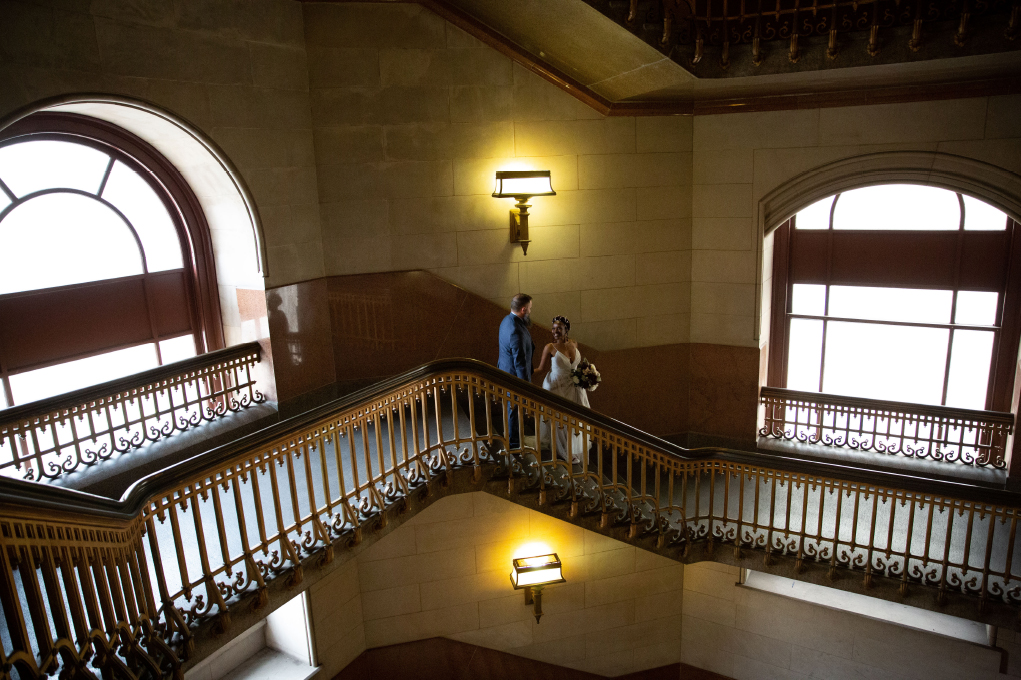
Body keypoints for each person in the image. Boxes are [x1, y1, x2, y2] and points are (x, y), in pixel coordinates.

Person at [535, 315, 589, 463]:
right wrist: (521, 371)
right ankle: (563, 450)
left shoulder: (574, 344)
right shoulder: (550, 347)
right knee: (560, 421)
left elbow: (577, 366)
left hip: (573, 388)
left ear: (566, 330)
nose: (555, 331)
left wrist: (588, 375)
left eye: (559, 328)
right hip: (555, 387)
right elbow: (540, 368)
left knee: (573, 420)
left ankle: (571, 448)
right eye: (553, 328)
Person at [498, 293, 535, 449]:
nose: (531, 312)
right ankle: (514, 445)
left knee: (513, 408)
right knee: (514, 409)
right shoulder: (515, 329)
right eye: (530, 309)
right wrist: (526, 387)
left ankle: (515, 439)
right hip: (513, 377)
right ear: (523, 309)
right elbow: (519, 361)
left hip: (506, 372)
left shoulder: (506, 320)